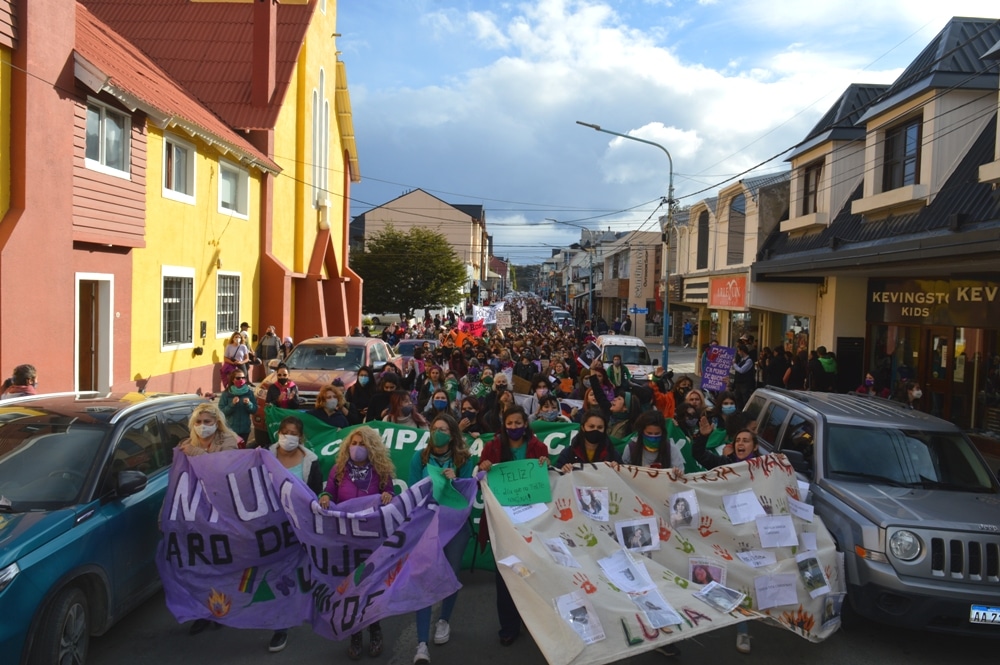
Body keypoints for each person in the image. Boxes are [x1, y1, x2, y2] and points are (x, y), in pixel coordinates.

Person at [319, 426, 396, 659]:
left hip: (372, 540)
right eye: (354, 443)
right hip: (346, 541)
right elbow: (330, 492)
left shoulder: (381, 471)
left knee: (371, 586)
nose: (357, 448)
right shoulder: (339, 470)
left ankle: (375, 631)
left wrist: (388, 496)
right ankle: (354, 633)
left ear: (371, 447)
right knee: (350, 587)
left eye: (362, 444)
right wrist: (325, 497)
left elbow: (390, 494)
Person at [476, 404, 549, 646]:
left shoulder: (538, 448)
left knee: (533, 574)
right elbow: (479, 482)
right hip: (502, 524)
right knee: (506, 575)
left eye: (519, 423)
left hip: (531, 523)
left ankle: (532, 622)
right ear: (504, 425)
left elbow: (546, 481)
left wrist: (544, 465)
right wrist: (482, 468)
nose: (514, 427)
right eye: (510, 424)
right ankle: (509, 626)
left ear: (525, 424)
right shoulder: (492, 447)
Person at [411, 413, 475, 665]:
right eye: (435, 428)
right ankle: (421, 644)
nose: (438, 432)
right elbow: (413, 488)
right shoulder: (420, 457)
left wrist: (455, 481)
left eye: (444, 429)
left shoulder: (463, 459)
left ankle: (443, 620)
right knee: (424, 580)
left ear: (452, 434)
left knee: (450, 575)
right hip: (428, 526)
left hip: (456, 526)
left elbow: (469, 490)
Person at [690, 427, 761, 654]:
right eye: (738, 440)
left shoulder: (764, 468)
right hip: (724, 531)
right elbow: (700, 455)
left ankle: (744, 627)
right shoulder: (724, 464)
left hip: (751, 533)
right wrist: (702, 436)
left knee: (745, 579)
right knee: (728, 577)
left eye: (746, 441)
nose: (741, 444)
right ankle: (739, 625)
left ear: (755, 446)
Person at [177, 402, 240, 635]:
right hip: (196, 514)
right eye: (199, 422)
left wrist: (196, 453)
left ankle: (223, 610)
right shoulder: (186, 444)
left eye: (207, 422)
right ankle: (202, 611)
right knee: (199, 566)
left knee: (222, 563)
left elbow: (221, 467)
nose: (202, 426)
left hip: (223, 511)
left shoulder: (228, 440)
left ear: (217, 423)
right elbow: (177, 482)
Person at [266, 415, 322, 652]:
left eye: (294, 433)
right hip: (271, 529)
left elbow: (316, 493)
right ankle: (281, 625)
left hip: (300, 529)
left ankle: (303, 613)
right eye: (285, 431)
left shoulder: (311, 461)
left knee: (297, 575)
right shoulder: (264, 457)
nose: (289, 436)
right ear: (278, 433)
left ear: (300, 437)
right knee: (277, 576)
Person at [555, 409, 622, 472]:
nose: (595, 430)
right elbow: (557, 476)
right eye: (591, 426)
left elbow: (623, 478)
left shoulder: (613, 454)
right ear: (583, 428)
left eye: (600, 427)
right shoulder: (568, 453)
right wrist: (563, 470)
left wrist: (619, 469)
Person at [218, 368, 257, 446]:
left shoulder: (249, 393)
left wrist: (249, 404)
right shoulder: (227, 394)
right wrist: (232, 404)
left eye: (243, 378)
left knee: (241, 450)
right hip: (231, 430)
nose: (241, 380)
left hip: (244, 430)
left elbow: (254, 410)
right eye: (238, 378)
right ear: (233, 380)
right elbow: (221, 411)